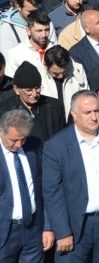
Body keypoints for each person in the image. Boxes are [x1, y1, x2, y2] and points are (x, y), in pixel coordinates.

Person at [42, 90, 99, 262]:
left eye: (96, 111)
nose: (94, 117)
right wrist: (62, 231)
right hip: (75, 227)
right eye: (87, 112)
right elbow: (52, 193)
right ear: (74, 114)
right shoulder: (56, 146)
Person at [0, 109, 53, 261]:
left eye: (22, 139)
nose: (18, 145)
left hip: (33, 230)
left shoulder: (34, 146)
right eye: (13, 140)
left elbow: (46, 188)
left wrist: (48, 227)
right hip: (4, 232)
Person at [0, 61, 65, 143]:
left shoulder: (54, 106)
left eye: (37, 88)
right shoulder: (4, 110)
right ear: (16, 89)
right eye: (28, 90)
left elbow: (63, 136)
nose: (34, 94)